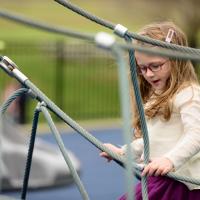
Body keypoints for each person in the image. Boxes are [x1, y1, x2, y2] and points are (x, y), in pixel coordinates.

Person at [100, 21, 200, 200]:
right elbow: (152, 138)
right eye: (143, 68)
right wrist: (124, 151)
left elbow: (197, 134)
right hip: (160, 177)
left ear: (176, 59)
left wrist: (170, 160)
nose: (149, 74)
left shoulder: (189, 93)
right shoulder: (159, 95)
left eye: (155, 66)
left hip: (180, 183)